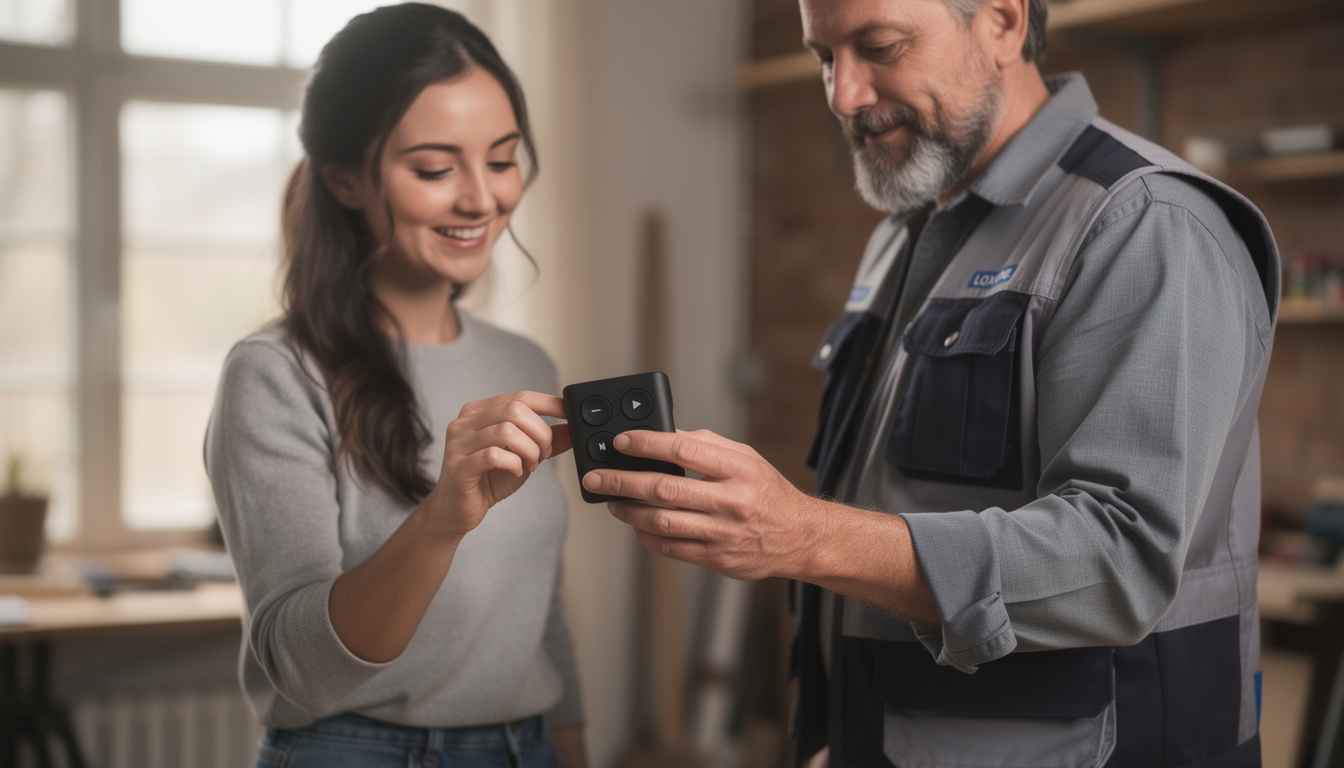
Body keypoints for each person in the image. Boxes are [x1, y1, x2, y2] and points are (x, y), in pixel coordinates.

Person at [584, 0, 1279, 766]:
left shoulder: (1145, 223)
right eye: (825, 57)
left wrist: (804, 535)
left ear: (1004, 23)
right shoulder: (901, 236)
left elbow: (1118, 560)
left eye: (879, 46)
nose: (843, 95)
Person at [203, 5, 587, 767]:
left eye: (503, 159)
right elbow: (303, 667)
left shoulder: (528, 364)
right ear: (345, 177)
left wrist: (573, 751)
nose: (481, 199)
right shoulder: (276, 375)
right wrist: (442, 517)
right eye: (436, 169)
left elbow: (538, 613)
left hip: (526, 747)